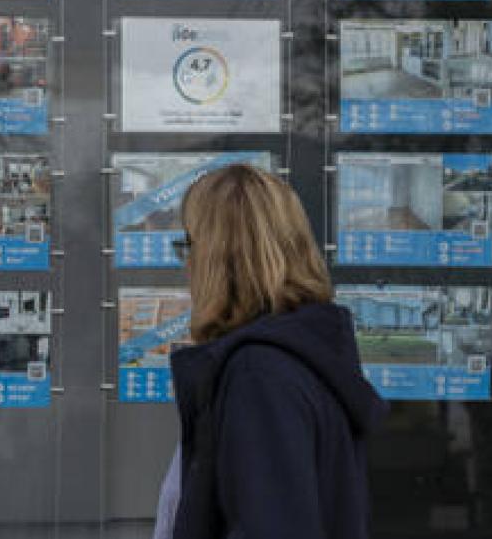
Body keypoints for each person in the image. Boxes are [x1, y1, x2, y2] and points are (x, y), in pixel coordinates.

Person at [160, 164, 387, 539]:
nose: (187, 267)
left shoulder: (259, 376)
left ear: (217, 259)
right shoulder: (301, 357)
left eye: (189, 247)